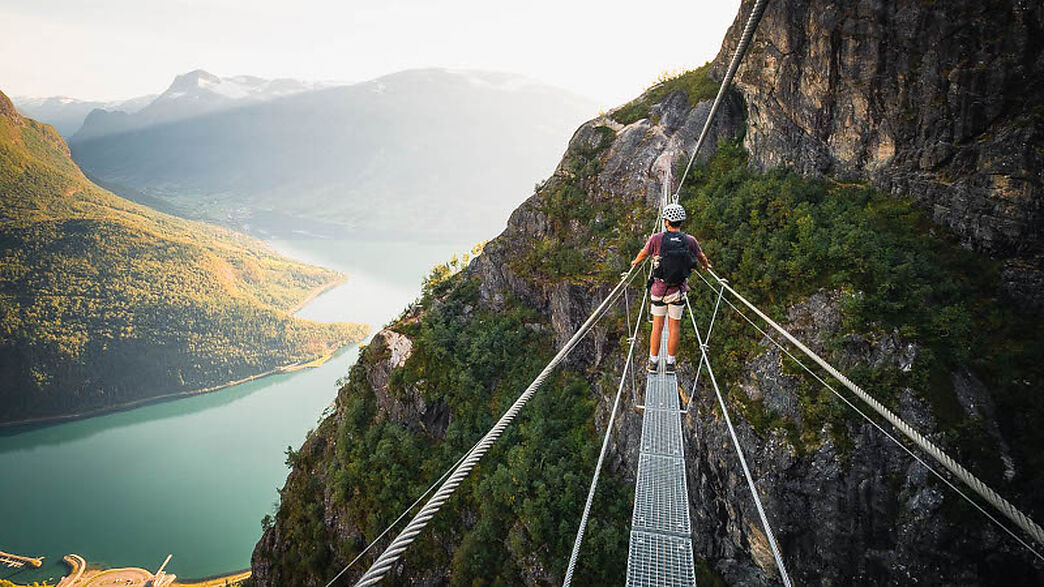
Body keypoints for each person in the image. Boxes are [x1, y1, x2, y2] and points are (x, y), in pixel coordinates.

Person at [630, 203, 712, 374]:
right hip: (678, 291)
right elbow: (701, 257)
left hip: (659, 291)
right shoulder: (690, 240)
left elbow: (643, 254)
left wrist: (635, 263)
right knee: (674, 327)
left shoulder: (656, 238)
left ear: (666, 221)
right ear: (681, 221)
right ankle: (670, 364)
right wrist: (706, 266)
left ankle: (653, 363)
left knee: (657, 327)